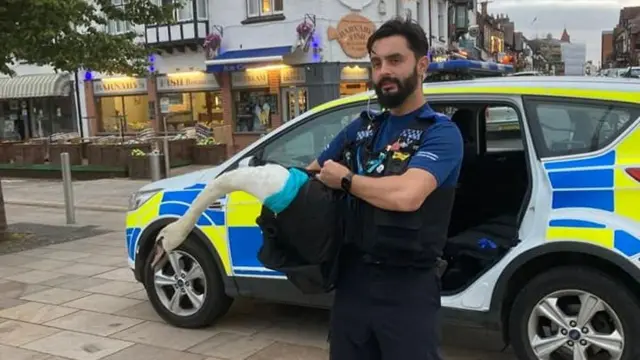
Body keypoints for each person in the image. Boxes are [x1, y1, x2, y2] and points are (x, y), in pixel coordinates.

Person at [306, 17, 464, 360]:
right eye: (376, 63)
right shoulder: (362, 129)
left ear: (421, 65)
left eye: (395, 60)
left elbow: (407, 195)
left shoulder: (440, 132)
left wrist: (346, 180)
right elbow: (314, 172)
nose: (383, 72)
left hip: (407, 289)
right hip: (352, 281)